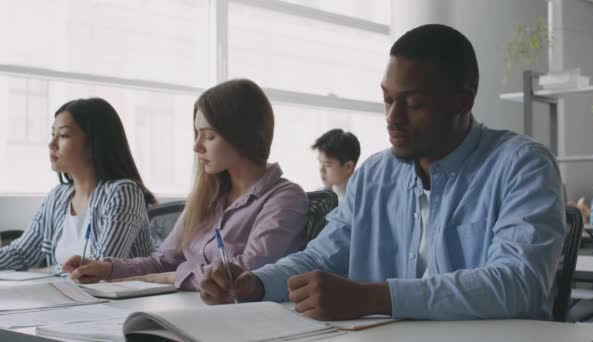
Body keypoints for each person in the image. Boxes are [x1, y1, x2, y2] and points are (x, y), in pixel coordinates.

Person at [200, 24, 566, 321]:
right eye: (388, 100)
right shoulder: (375, 175)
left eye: (414, 103)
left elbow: (519, 283)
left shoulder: (522, 165)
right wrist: (256, 284)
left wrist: (374, 297)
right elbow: (320, 258)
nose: (393, 118)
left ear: (463, 100)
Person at [63, 79, 309, 290]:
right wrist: (107, 268)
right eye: (197, 133)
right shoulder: (207, 198)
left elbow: (245, 273)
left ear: (243, 136)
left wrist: (173, 277)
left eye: (209, 135)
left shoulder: (285, 198)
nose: (197, 146)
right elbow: (163, 261)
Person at [0, 98, 156, 272]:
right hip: (67, 296)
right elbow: (20, 253)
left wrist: (43, 271)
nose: (52, 144)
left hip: (117, 299)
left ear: (94, 143)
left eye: (64, 135)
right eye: (53, 134)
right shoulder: (58, 196)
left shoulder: (123, 192)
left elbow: (96, 270)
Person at [311, 129, 360, 203]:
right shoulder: (318, 196)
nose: (321, 169)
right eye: (320, 162)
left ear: (348, 167)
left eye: (328, 164)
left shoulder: (358, 200)